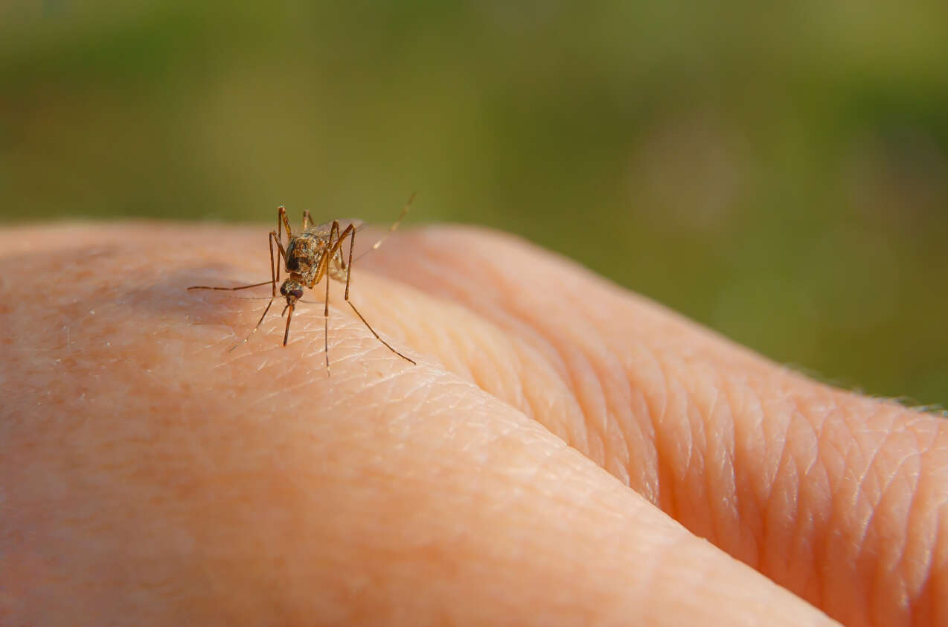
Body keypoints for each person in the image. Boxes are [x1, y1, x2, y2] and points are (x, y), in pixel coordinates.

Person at [1, 222, 943, 627]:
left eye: (292, 282)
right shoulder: (281, 268)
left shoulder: (317, 267)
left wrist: (333, 301)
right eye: (289, 282)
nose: (289, 290)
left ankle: (338, 302)